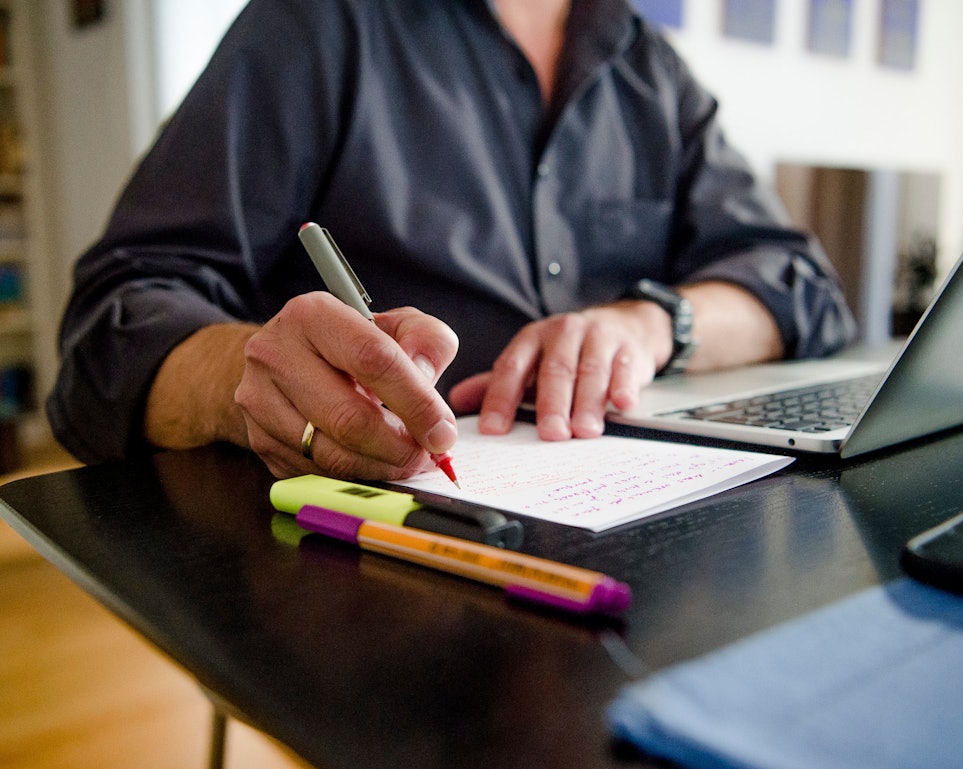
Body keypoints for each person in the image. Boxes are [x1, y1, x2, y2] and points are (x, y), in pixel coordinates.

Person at [47, 0, 855, 482]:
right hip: (366, 576)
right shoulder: (319, 23)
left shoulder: (653, 71)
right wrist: (245, 375)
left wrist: (651, 325)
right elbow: (112, 325)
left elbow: (800, 283)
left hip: (638, 536)